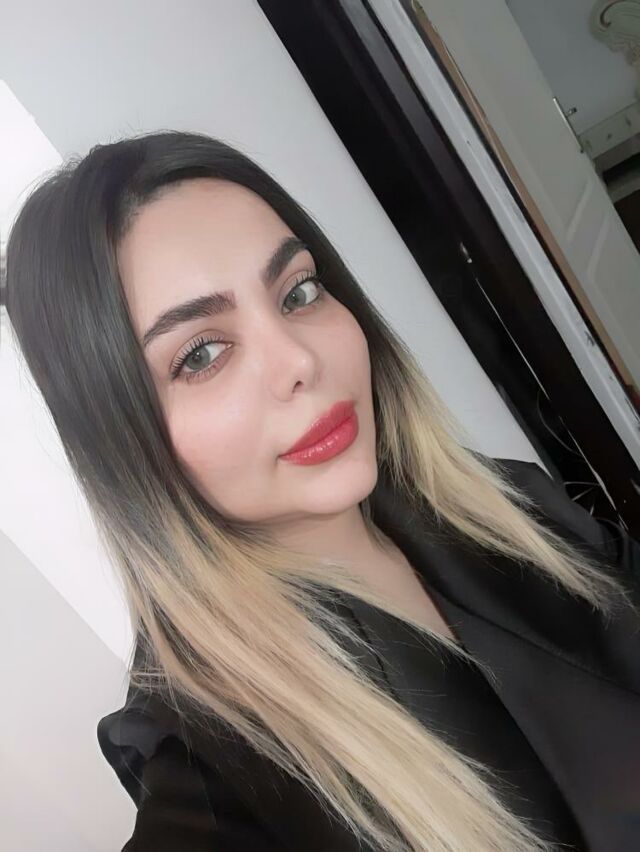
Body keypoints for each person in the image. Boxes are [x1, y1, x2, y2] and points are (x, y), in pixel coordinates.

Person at [5, 130, 639, 852]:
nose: (299, 360)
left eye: (298, 292)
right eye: (201, 353)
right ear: (119, 437)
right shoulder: (212, 771)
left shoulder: (508, 505)